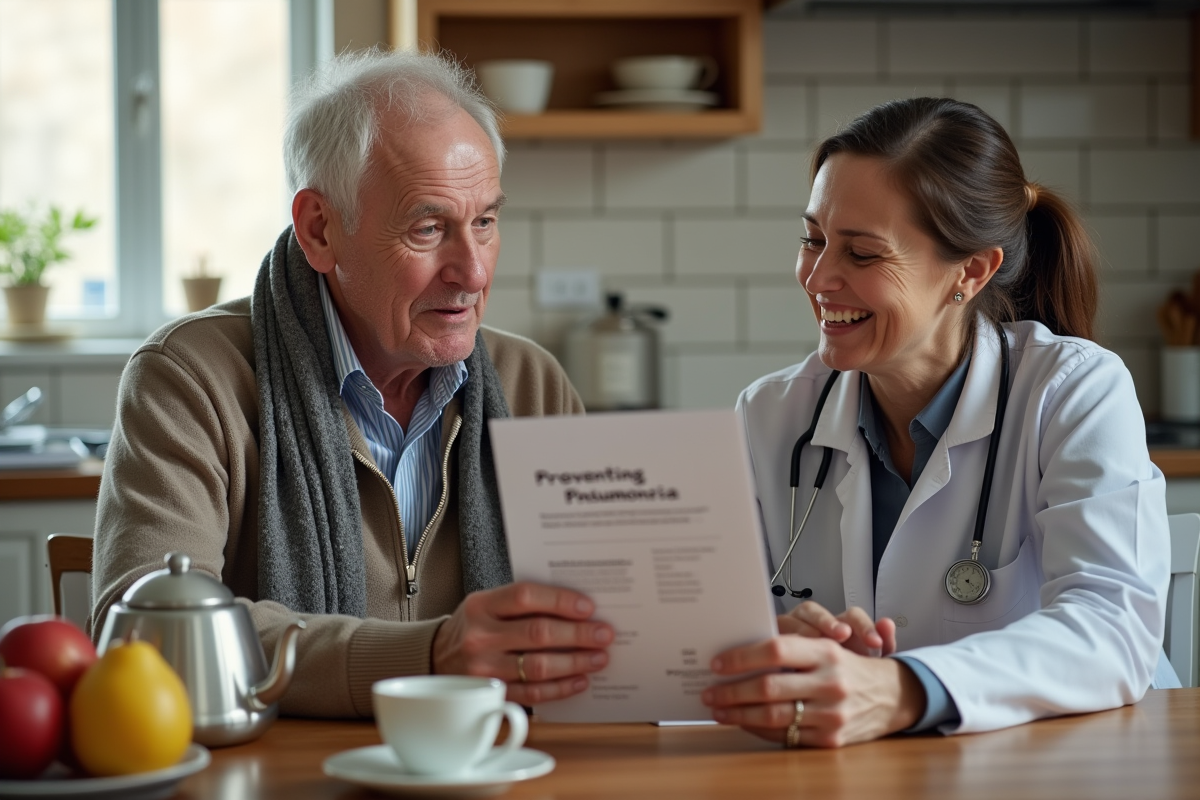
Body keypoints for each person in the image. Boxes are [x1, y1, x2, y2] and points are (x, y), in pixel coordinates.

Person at [90, 49, 614, 718]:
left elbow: (609, 623)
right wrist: (427, 659)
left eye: (484, 221)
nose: (474, 272)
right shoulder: (191, 378)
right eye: (429, 228)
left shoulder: (531, 383)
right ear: (319, 229)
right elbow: (146, 638)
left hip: (500, 769)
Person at [702, 97, 1173, 747]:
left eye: (862, 255)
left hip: (1064, 763)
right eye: (813, 240)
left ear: (971, 271)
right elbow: (719, 622)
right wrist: (775, 644)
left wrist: (903, 687)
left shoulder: (1072, 392)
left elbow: (1112, 631)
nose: (818, 277)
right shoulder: (770, 413)